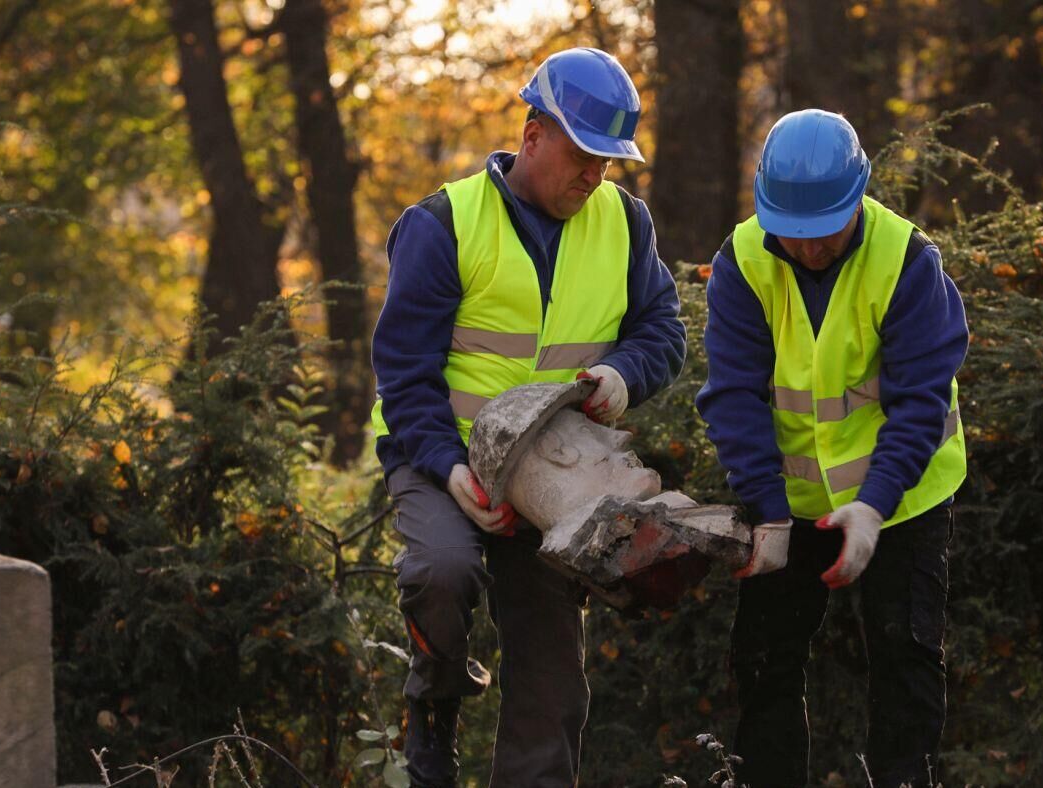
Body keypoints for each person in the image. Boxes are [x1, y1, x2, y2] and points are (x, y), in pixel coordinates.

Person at [368, 47, 686, 788]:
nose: (593, 177)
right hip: (440, 452)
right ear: (534, 133)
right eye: (582, 155)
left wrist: (621, 374)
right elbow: (405, 375)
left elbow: (662, 332)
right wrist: (450, 472)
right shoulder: (442, 224)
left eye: (607, 163)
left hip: (558, 472)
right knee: (441, 573)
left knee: (552, 675)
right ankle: (435, 712)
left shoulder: (626, 224)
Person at [695, 109, 968, 788]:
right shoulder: (742, 261)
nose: (810, 248)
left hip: (901, 502)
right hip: (787, 503)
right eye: (794, 233)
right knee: (762, 661)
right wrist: (769, 512)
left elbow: (919, 405)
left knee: (906, 661)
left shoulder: (907, 261)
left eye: (825, 232)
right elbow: (734, 397)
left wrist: (874, 506)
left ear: (859, 198)